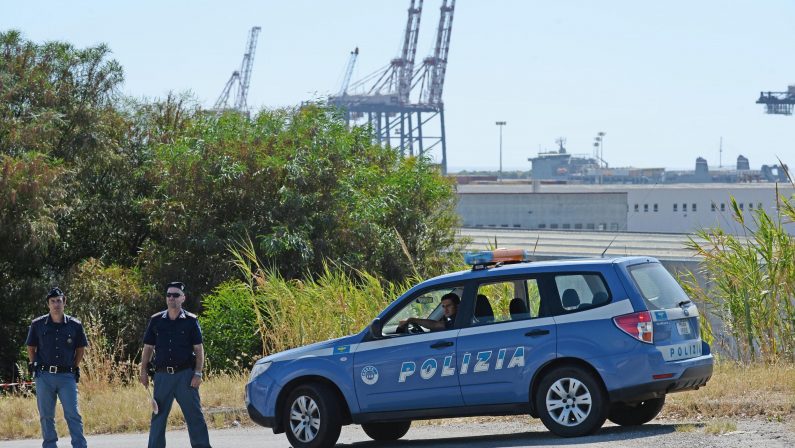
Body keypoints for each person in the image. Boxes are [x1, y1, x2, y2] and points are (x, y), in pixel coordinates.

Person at [139, 282, 211, 448]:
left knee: (194, 416)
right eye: (169, 295)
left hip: (185, 376)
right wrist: (143, 371)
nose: (171, 298)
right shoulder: (156, 320)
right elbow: (148, 347)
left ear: (183, 298)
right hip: (162, 376)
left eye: (176, 295)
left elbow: (199, 349)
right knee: (158, 417)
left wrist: (198, 373)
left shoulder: (191, 321)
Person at [26, 287, 88, 448]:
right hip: (44, 376)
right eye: (52, 301)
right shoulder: (37, 324)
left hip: (66, 376)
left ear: (64, 302)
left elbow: (80, 349)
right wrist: (34, 365)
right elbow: (31, 347)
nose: (56, 304)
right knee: (46, 416)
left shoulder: (75, 325)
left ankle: (80, 445)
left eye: (59, 300)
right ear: (48, 304)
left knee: (73, 414)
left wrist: (73, 366)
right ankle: (50, 445)